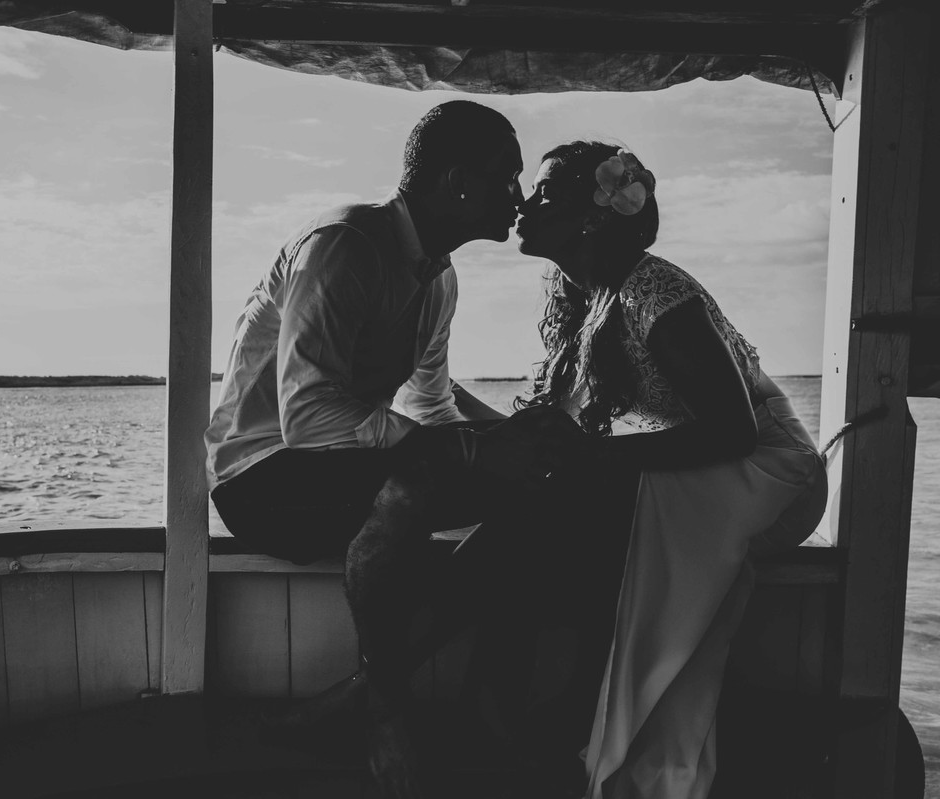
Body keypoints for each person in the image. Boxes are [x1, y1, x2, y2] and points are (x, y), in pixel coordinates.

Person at [205, 102, 609, 798]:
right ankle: (385, 714)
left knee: (536, 489)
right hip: (260, 475)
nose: (518, 197)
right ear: (457, 184)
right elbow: (307, 416)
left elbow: (430, 403)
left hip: (349, 466)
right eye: (506, 177)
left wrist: (515, 439)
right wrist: (471, 451)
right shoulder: (344, 246)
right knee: (415, 482)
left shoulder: (439, 279)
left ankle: (472, 706)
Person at [512, 140, 829, 799]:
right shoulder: (583, 291)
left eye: (544, 193)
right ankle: (578, 714)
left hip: (769, 469)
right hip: (711, 456)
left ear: (591, 217)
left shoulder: (656, 292)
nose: (524, 203)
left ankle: (588, 724)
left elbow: (735, 430)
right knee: (565, 499)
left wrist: (590, 458)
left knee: (594, 503)